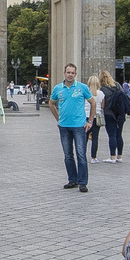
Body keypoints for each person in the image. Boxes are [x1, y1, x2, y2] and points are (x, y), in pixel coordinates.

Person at [48, 63, 96, 193]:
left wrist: (90, 120)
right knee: (68, 155)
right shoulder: (58, 88)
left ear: (75, 74)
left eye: (72, 73)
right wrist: (58, 119)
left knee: (81, 154)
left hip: (79, 126)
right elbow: (51, 103)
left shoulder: (82, 87)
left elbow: (93, 102)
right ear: (64, 73)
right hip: (64, 126)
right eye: (68, 72)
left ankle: (83, 182)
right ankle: (72, 179)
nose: (70, 75)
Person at [101, 71, 130, 163]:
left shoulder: (102, 89)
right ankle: (119, 156)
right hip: (120, 114)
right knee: (119, 135)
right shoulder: (118, 86)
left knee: (112, 135)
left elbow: (103, 104)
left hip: (109, 113)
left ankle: (112, 157)